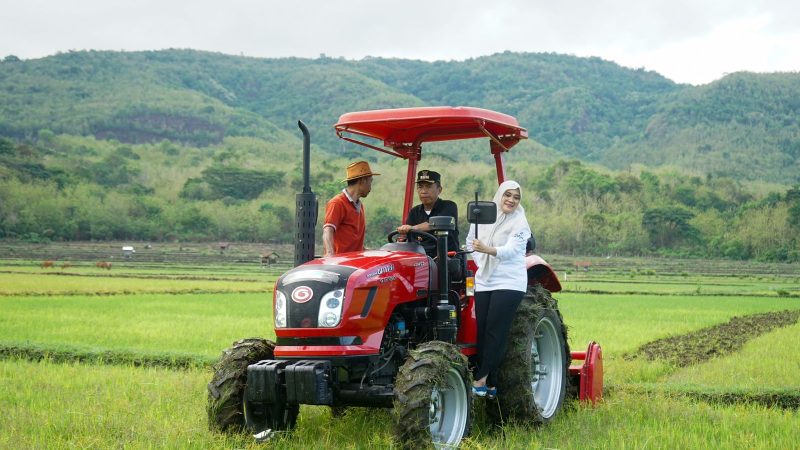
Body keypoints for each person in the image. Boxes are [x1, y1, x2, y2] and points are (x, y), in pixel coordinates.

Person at [466, 180, 532, 399]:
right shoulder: (484, 217)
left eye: (516, 197)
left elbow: (512, 250)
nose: (511, 200)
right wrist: (480, 257)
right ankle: (492, 384)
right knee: (482, 328)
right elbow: (470, 242)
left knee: (496, 329)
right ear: (500, 195)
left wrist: (488, 250)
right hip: (485, 278)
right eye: (508, 195)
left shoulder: (520, 223)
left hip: (509, 281)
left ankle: (481, 378)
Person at [322, 161, 379, 257]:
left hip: (355, 263)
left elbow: (358, 247)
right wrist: (329, 253)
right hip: (340, 264)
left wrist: (378, 253)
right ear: (362, 181)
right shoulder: (337, 203)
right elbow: (328, 230)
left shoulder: (360, 207)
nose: (370, 187)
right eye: (370, 181)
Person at [396, 170, 459, 256]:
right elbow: (407, 236)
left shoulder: (449, 206)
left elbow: (436, 224)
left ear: (439, 190)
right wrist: (402, 237)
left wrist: (412, 228)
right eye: (420, 187)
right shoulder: (414, 212)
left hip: (446, 260)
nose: (423, 191)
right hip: (420, 261)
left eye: (428, 186)